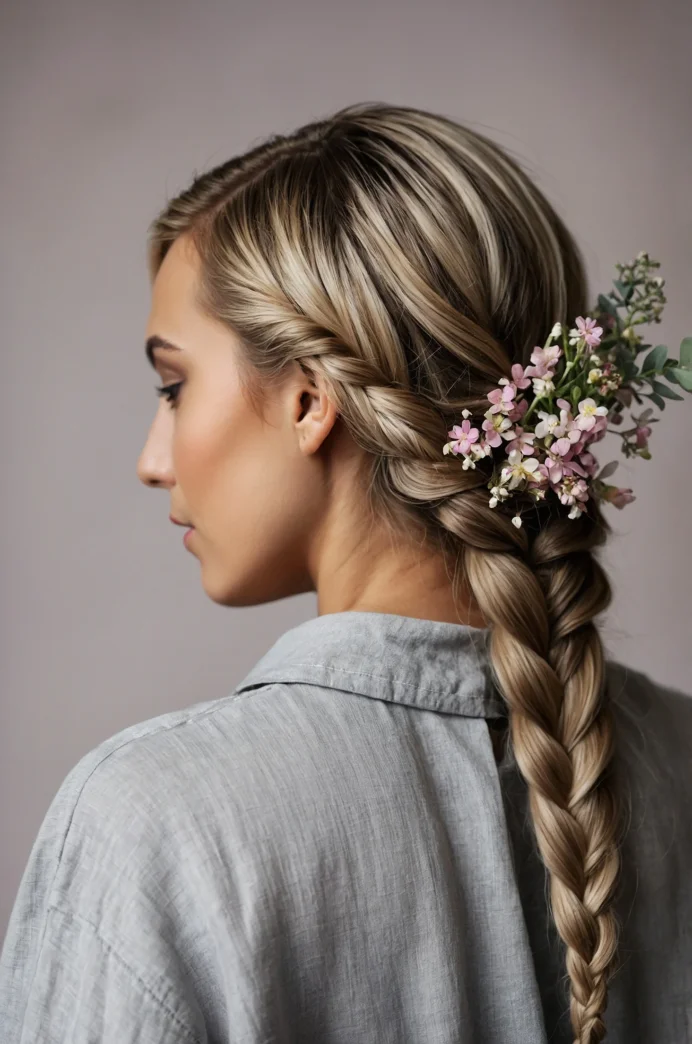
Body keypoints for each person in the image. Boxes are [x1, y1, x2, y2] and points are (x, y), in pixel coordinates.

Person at [1, 102, 691, 1044]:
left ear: (309, 399)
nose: (152, 459)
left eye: (174, 386)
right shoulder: (680, 758)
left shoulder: (155, 823)